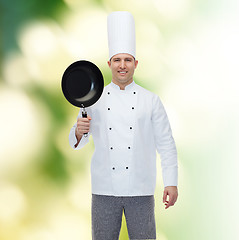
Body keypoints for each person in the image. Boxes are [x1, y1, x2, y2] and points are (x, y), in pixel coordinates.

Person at [69, 11, 178, 240]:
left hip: (141, 187)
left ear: (136, 63)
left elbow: (166, 144)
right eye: (117, 60)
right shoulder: (93, 98)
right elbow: (79, 139)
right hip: (104, 189)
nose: (122, 66)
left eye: (127, 60)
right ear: (109, 63)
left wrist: (171, 183)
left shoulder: (151, 100)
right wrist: (78, 132)